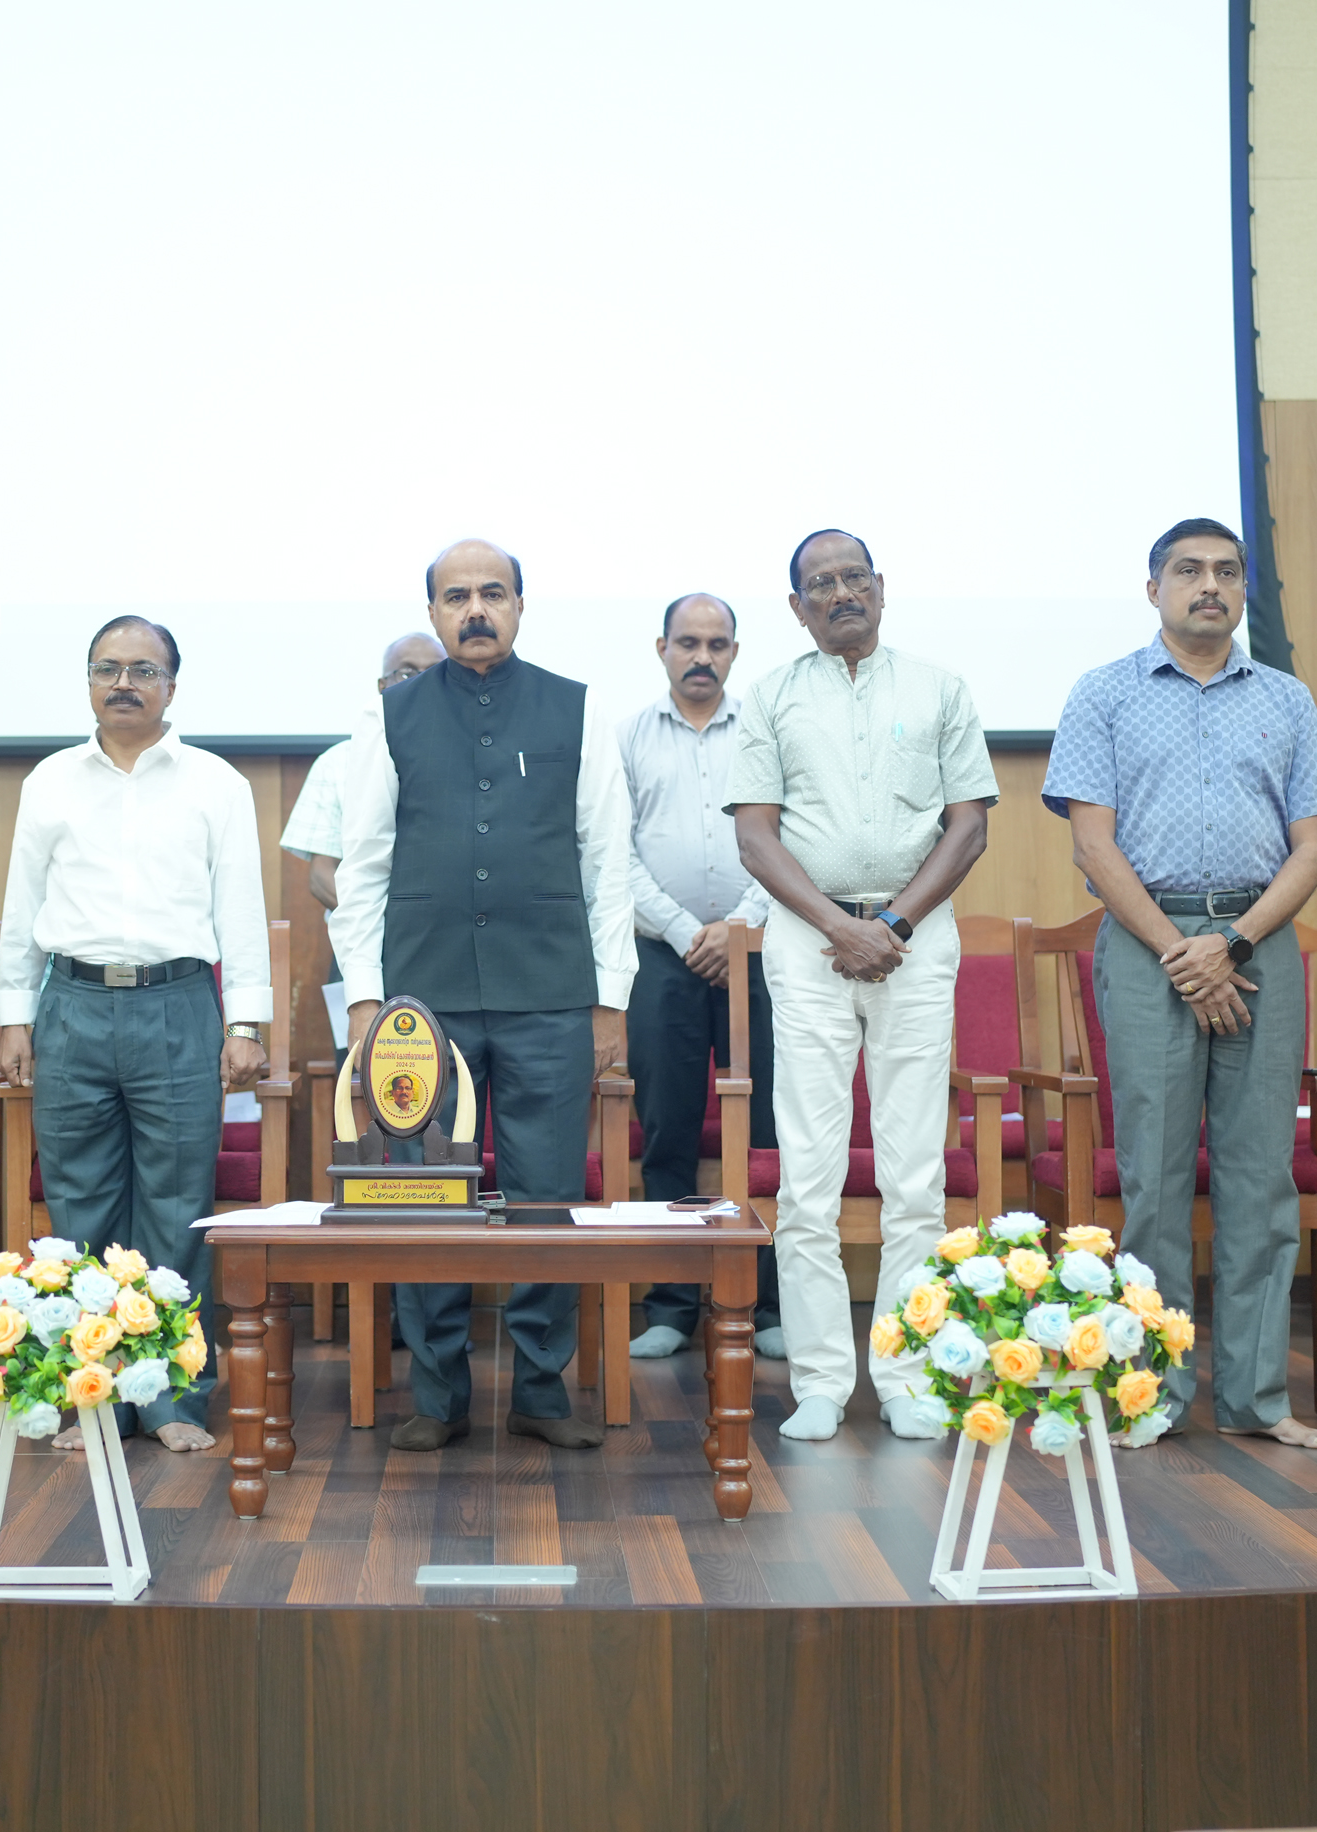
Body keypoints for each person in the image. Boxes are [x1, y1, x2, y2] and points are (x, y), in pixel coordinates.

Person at [1042, 518, 1317, 1452]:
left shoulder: (1288, 699)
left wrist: (1232, 943)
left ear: (1243, 590)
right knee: (1155, 1180)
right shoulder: (1103, 694)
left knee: (1262, 1180)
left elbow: (1314, 848)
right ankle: (1153, 1395)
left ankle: (1258, 1400)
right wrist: (1183, 952)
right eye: (1188, 570)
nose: (1209, 585)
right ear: (1155, 590)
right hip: (1149, 945)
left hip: (1259, 941)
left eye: (1226, 571)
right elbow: (1092, 844)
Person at [331, 540, 635, 1452]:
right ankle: (437, 1395)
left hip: (551, 992)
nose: (475, 610)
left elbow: (607, 862)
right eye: (456, 596)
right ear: (432, 613)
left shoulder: (578, 708)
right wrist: (364, 999)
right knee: (424, 1194)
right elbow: (363, 866)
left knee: (546, 1195)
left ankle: (541, 1390)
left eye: (492, 593)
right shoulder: (389, 717)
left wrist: (611, 998)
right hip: (422, 1003)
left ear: (520, 606)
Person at [728, 530, 994, 1443]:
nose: (841, 593)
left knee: (915, 1175)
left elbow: (968, 828)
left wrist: (895, 926)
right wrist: (839, 926)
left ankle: (908, 1377)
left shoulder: (940, 689)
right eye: (821, 583)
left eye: (854, 577)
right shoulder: (770, 697)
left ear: (881, 587)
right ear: (797, 607)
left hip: (917, 938)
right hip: (808, 943)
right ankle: (820, 1383)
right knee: (809, 1177)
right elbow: (755, 837)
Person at [0, 615, 273, 1453]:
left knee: (178, 1208)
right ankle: (96, 1398)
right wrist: (14, 1017)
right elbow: (22, 904)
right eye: (106, 668)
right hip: (71, 1006)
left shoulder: (216, 783)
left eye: (142, 669)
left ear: (171, 687)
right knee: (80, 1206)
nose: (123, 683)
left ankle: (172, 1398)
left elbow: (241, 909)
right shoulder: (49, 780)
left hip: (177, 1005)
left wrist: (245, 1022)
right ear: (88, 682)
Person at [619, 592, 781, 1360]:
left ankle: (771, 1305)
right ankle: (671, 1305)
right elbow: (613, 854)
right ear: (663, 648)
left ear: (734, 653)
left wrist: (738, 929)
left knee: (772, 1133)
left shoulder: (765, 730)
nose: (702, 658)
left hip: (762, 951)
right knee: (668, 1130)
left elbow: (788, 836)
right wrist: (690, 933)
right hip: (662, 955)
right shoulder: (628, 738)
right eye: (688, 643)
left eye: (717, 645)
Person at [281, 632, 445, 917]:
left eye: (434, 672)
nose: (420, 682)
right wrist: (380, 927)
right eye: (406, 673)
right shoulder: (337, 762)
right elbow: (322, 876)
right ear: (383, 686)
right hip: (364, 936)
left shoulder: (476, 756)